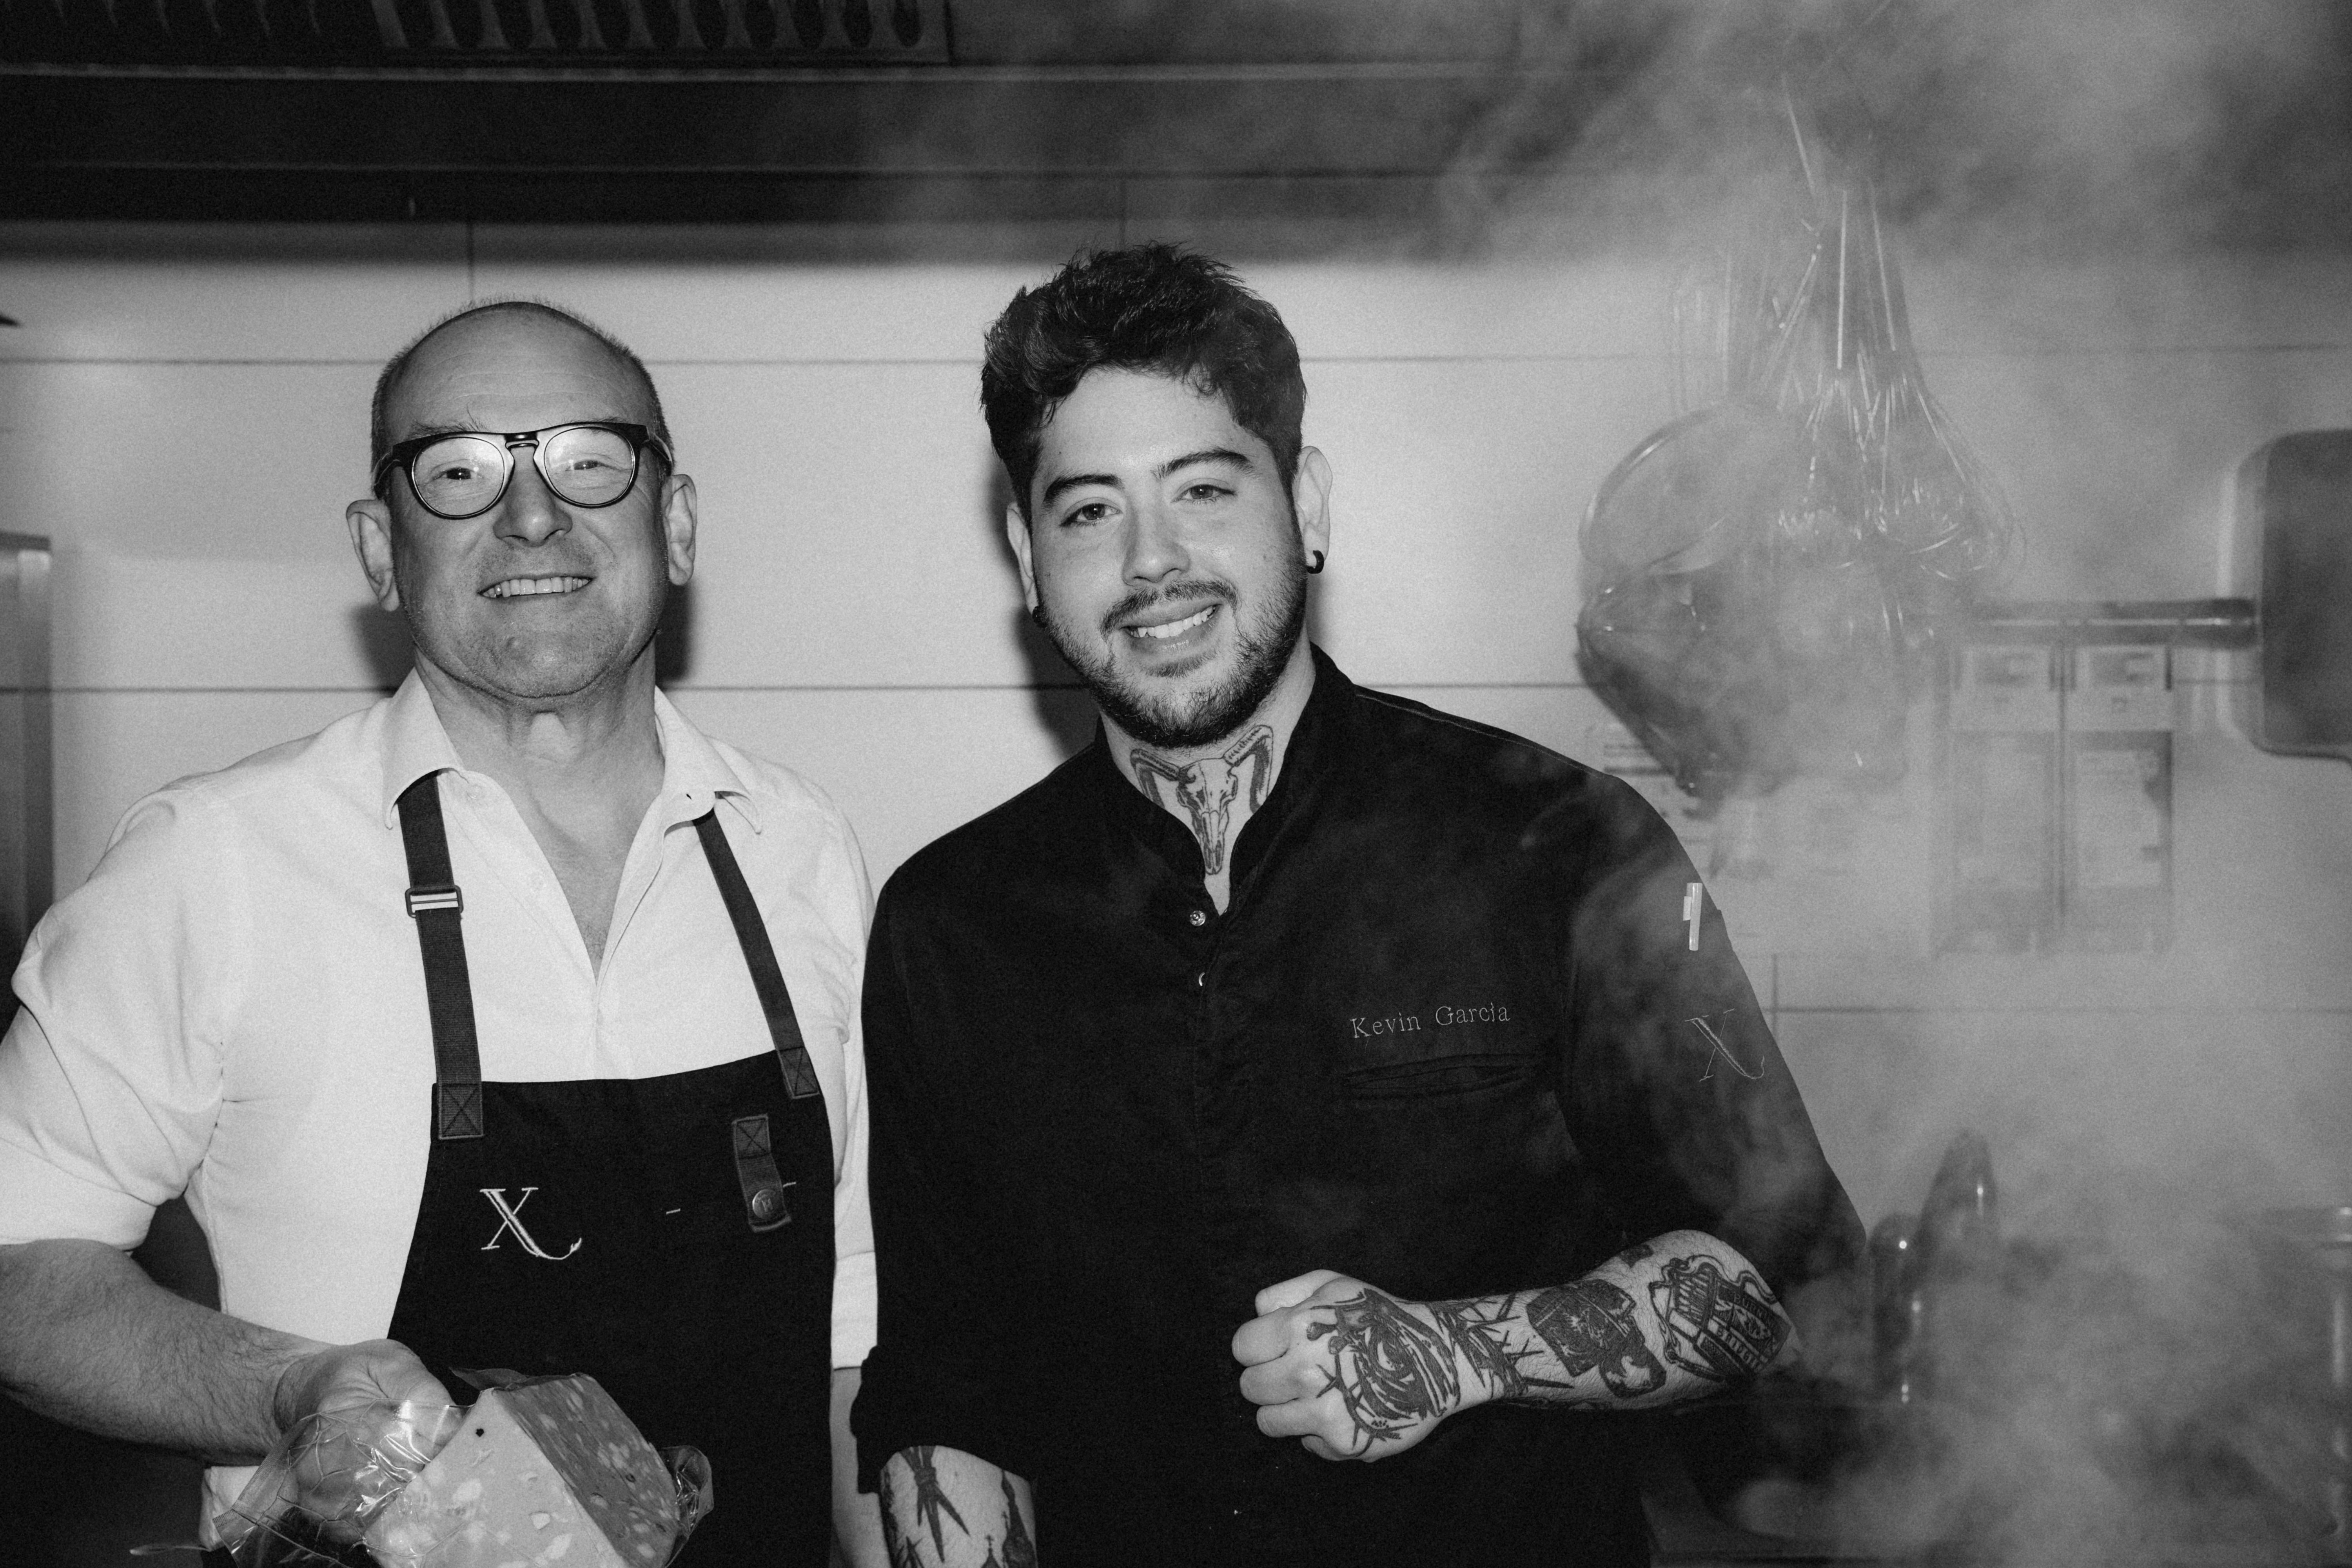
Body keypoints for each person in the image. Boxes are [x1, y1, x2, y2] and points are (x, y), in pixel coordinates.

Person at [849, 245, 1865, 1566]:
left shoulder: (1554, 844)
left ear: (1305, 504)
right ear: (1027, 555)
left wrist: (1459, 1352)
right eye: (1089, 510)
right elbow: (951, 1400)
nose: (1154, 560)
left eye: (1205, 489)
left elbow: (1786, 1279)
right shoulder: (952, 928)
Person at [0, 301, 880, 1565]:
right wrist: (288, 1393)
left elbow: (848, 1309)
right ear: (379, 547)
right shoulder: (218, 863)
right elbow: (19, 1261)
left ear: (674, 522)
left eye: (589, 460)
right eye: (457, 473)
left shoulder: (798, 848)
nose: (531, 516)